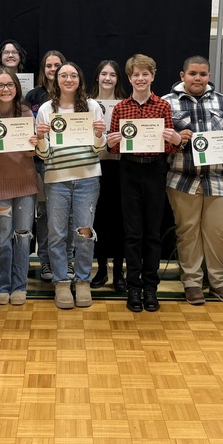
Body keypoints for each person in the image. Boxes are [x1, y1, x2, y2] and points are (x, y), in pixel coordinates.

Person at [164, 55, 223, 306]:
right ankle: (192, 282)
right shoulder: (167, 103)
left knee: (219, 232)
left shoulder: (222, 101)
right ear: (182, 75)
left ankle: (219, 282)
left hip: (217, 179)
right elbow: (160, 142)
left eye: (203, 74)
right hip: (181, 178)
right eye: (193, 74)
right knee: (187, 232)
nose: (198, 78)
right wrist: (177, 141)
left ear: (209, 76)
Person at [107, 54, 181, 313]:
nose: (140, 78)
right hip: (128, 171)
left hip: (155, 170)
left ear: (153, 76)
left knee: (152, 232)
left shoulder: (162, 106)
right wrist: (111, 141)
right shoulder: (120, 108)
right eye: (135, 75)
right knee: (132, 233)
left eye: (144, 74)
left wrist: (174, 139)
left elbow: (170, 148)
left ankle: (151, 287)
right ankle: (133, 287)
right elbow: (113, 148)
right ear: (129, 78)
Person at [36, 62, 106, 309]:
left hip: (87, 177)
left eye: (73, 75)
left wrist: (100, 134)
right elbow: (43, 156)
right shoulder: (46, 109)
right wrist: (41, 139)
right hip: (56, 180)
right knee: (56, 233)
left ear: (80, 79)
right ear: (56, 79)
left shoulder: (92, 107)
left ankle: (83, 280)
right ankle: (61, 282)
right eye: (63, 75)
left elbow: (100, 149)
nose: (68, 79)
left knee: (84, 233)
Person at [0, 68, 39, 305]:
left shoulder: (25, 112)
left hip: (25, 184)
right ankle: (2, 285)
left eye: (10, 85)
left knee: (23, 237)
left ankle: (20, 286)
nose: (5, 90)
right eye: (0, 85)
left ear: (17, 87)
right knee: (2, 238)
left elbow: (31, 152)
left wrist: (33, 145)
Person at [24, 49, 66, 280]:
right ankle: (46, 262)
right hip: (39, 163)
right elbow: (21, 128)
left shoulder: (73, 94)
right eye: (49, 66)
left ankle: (64, 261)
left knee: (63, 216)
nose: (52, 69)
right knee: (43, 213)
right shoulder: (33, 96)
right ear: (44, 69)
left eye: (57, 65)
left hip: (63, 163)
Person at [90, 60, 126, 290]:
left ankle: (119, 271)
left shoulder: (125, 104)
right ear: (97, 77)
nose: (108, 78)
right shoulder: (87, 104)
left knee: (120, 222)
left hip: (120, 167)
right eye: (104, 73)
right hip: (95, 168)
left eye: (112, 74)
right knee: (99, 222)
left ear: (117, 79)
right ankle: (101, 269)